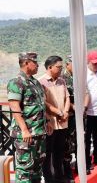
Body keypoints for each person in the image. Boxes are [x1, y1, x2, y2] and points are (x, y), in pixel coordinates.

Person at [7, 52, 50, 183]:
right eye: (35, 62)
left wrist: (47, 122)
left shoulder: (35, 83)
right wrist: (24, 130)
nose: (38, 65)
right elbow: (15, 108)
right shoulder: (16, 82)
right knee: (25, 170)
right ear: (26, 63)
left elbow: (41, 105)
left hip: (39, 133)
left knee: (37, 170)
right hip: (26, 135)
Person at [39, 55, 70, 182]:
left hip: (63, 122)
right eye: (58, 67)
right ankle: (48, 178)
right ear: (50, 67)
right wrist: (58, 112)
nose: (61, 69)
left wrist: (66, 111)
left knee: (60, 151)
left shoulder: (62, 81)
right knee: (48, 152)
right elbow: (44, 103)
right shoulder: (41, 82)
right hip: (50, 123)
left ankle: (59, 176)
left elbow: (67, 97)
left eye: (62, 67)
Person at [62, 55, 76, 182]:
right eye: (73, 63)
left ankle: (77, 167)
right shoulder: (63, 78)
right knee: (66, 145)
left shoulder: (77, 77)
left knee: (75, 143)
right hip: (68, 116)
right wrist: (73, 107)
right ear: (68, 64)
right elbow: (64, 98)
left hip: (77, 115)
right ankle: (67, 173)